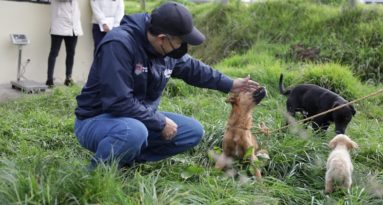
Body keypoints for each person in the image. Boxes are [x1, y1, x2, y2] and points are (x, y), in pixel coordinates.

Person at [74, 2, 259, 170]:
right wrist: (159, 122)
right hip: (97, 119)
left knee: (192, 131)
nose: (182, 48)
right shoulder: (119, 45)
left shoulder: (166, 50)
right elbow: (118, 102)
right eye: (180, 42)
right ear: (162, 38)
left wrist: (231, 84)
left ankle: (125, 160)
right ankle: (96, 175)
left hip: (137, 118)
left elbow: (194, 69)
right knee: (134, 132)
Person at [46, 0, 83, 87]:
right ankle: (49, 79)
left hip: (73, 27)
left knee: (71, 54)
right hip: (59, 25)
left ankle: (68, 78)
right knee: (54, 53)